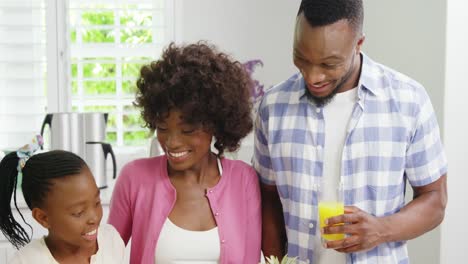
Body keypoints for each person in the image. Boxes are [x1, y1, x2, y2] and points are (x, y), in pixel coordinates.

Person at [253, 0, 448, 263]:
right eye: (301, 58)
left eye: (329, 64)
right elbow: (268, 201)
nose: (312, 76)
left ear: (358, 44)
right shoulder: (273, 107)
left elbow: (435, 200)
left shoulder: (408, 101)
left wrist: (381, 230)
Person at [108, 42, 261, 264]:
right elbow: (104, 255)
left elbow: (251, 260)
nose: (172, 142)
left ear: (215, 123)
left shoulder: (243, 180)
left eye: (188, 130)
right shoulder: (134, 178)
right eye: (162, 128)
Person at [0, 136, 125, 263]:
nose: (94, 218)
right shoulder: (26, 261)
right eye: (79, 212)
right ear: (43, 218)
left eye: (97, 202)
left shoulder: (112, 241)